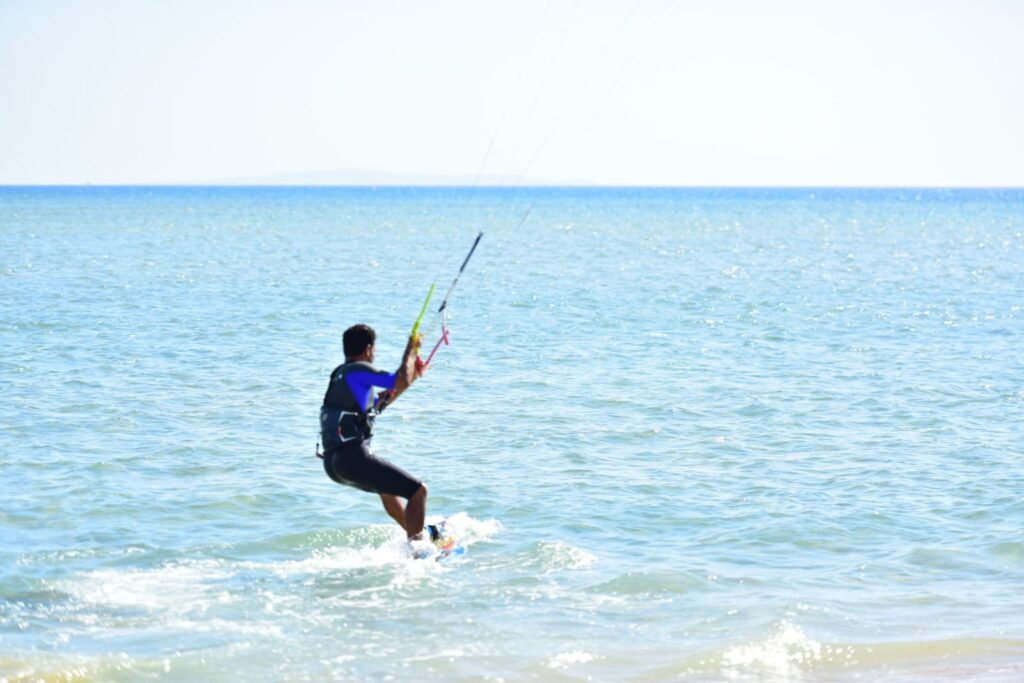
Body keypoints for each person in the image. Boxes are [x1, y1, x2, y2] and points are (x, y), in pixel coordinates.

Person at [319, 324, 432, 541]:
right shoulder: (359, 370)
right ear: (369, 349)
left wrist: (414, 375)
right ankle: (419, 550)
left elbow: (383, 400)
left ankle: (418, 537)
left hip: (334, 465)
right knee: (418, 491)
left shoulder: (342, 376)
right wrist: (411, 348)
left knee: (387, 488)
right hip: (353, 458)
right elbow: (399, 379)